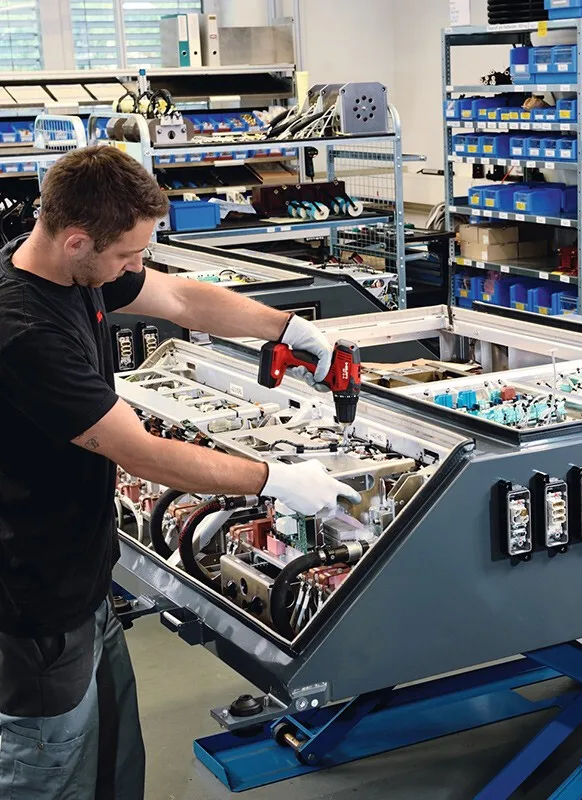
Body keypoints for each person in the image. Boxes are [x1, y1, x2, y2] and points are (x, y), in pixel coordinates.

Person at [0, 146, 361, 799]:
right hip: (34, 602)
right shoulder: (25, 332)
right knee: (47, 768)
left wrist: (288, 328)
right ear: (76, 239)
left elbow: (180, 298)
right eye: (127, 255)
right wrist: (274, 479)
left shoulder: (71, 268)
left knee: (111, 753)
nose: (135, 267)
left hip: (84, 576)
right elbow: (139, 452)